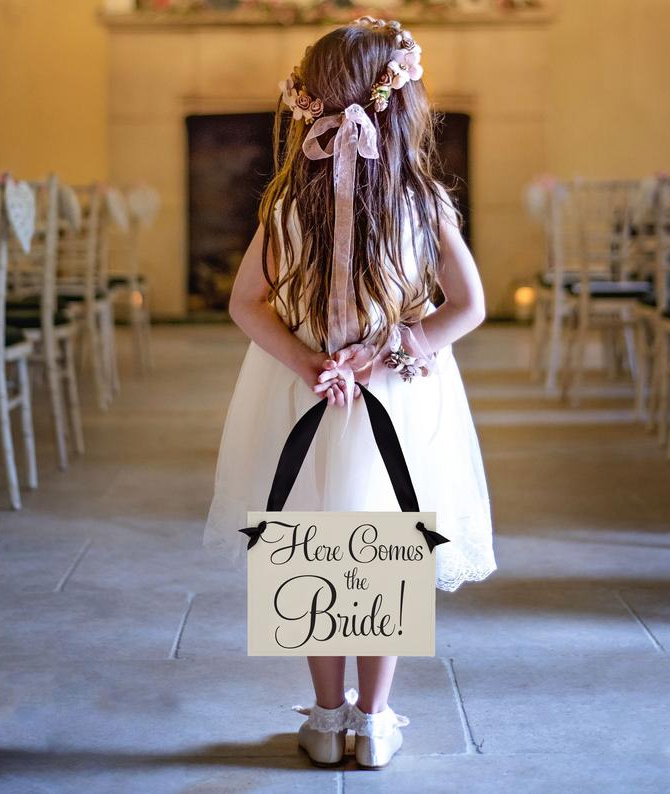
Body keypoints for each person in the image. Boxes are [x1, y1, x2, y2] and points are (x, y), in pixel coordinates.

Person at [203, 15, 497, 770]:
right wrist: (410, 342)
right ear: (406, 103)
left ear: (304, 100)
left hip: (305, 395)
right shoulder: (422, 200)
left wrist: (307, 363)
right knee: (382, 549)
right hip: (396, 397)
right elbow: (469, 305)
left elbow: (244, 304)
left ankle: (328, 718)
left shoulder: (284, 204)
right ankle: (373, 722)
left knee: (314, 549)